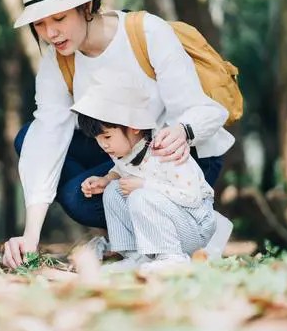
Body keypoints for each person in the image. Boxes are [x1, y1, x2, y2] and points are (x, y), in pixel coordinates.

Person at [2, 0, 234, 269]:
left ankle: (194, 230)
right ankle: (140, 241)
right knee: (32, 141)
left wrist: (182, 131)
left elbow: (197, 109)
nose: (50, 33)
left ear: (87, 7)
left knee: (97, 193)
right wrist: (30, 237)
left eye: (58, 19)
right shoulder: (57, 62)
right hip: (124, 155)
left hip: (180, 157)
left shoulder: (145, 33)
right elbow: (46, 137)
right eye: (39, 24)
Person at [72, 69, 217, 271]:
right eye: (98, 140)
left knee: (140, 196)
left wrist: (146, 186)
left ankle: (172, 257)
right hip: (166, 220)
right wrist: (106, 179)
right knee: (114, 191)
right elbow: (121, 169)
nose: (103, 146)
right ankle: (136, 255)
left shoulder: (165, 151)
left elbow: (191, 197)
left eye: (107, 137)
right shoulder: (128, 152)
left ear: (134, 126)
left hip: (194, 226)